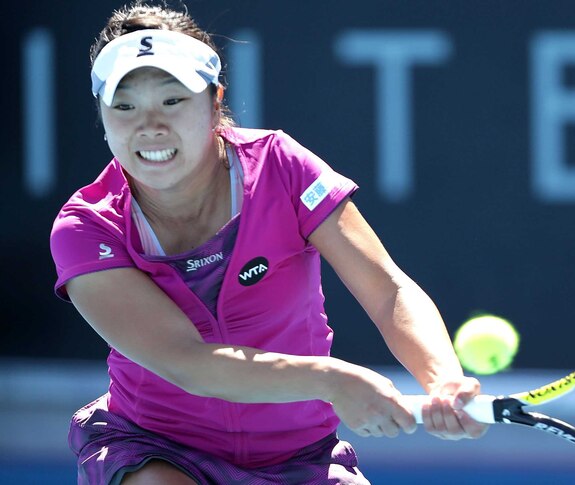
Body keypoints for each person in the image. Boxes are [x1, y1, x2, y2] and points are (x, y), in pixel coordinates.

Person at [49, 2, 487, 483]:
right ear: (104, 115)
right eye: (125, 106)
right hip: (157, 449)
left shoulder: (284, 167)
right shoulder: (86, 229)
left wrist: (443, 380)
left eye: (172, 101)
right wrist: (331, 380)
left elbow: (388, 290)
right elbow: (188, 362)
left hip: (301, 456)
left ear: (215, 101)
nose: (149, 125)